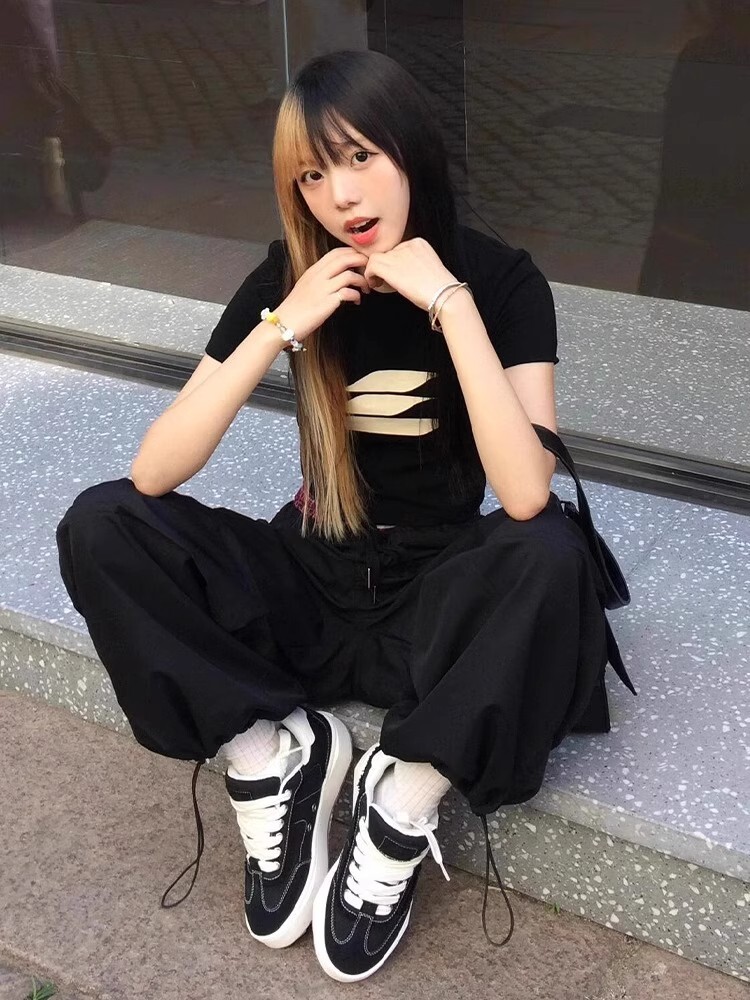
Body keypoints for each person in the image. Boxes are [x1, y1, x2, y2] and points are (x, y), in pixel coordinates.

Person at [55, 49, 614, 983]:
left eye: (358, 157)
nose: (340, 195)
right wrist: (282, 323)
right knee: (101, 524)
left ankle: (402, 797)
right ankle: (271, 754)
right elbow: (154, 470)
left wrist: (450, 303)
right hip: (309, 582)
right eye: (312, 175)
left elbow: (523, 490)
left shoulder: (502, 280)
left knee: (550, 554)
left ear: (410, 150)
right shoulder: (292, 275)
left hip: (432, 602)